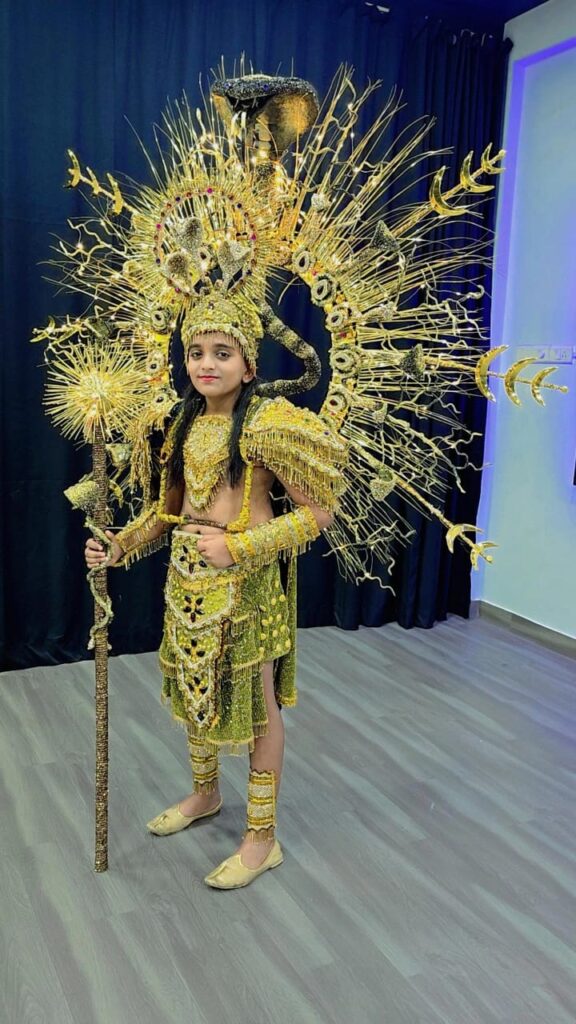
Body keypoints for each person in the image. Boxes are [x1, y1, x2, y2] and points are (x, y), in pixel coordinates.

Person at [85, 310, 347, 889]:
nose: (206, 364)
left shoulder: (269, 426)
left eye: (222, 353)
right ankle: (205, 794)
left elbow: (318, 514)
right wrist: (120, 546)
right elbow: (166, 513)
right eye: (196, 352)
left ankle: (262, 838)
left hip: (247, 586)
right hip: (186, 581)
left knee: (257, 708)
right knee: (193, 686)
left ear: (249, 365)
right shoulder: (181, 424)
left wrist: (239, 546)